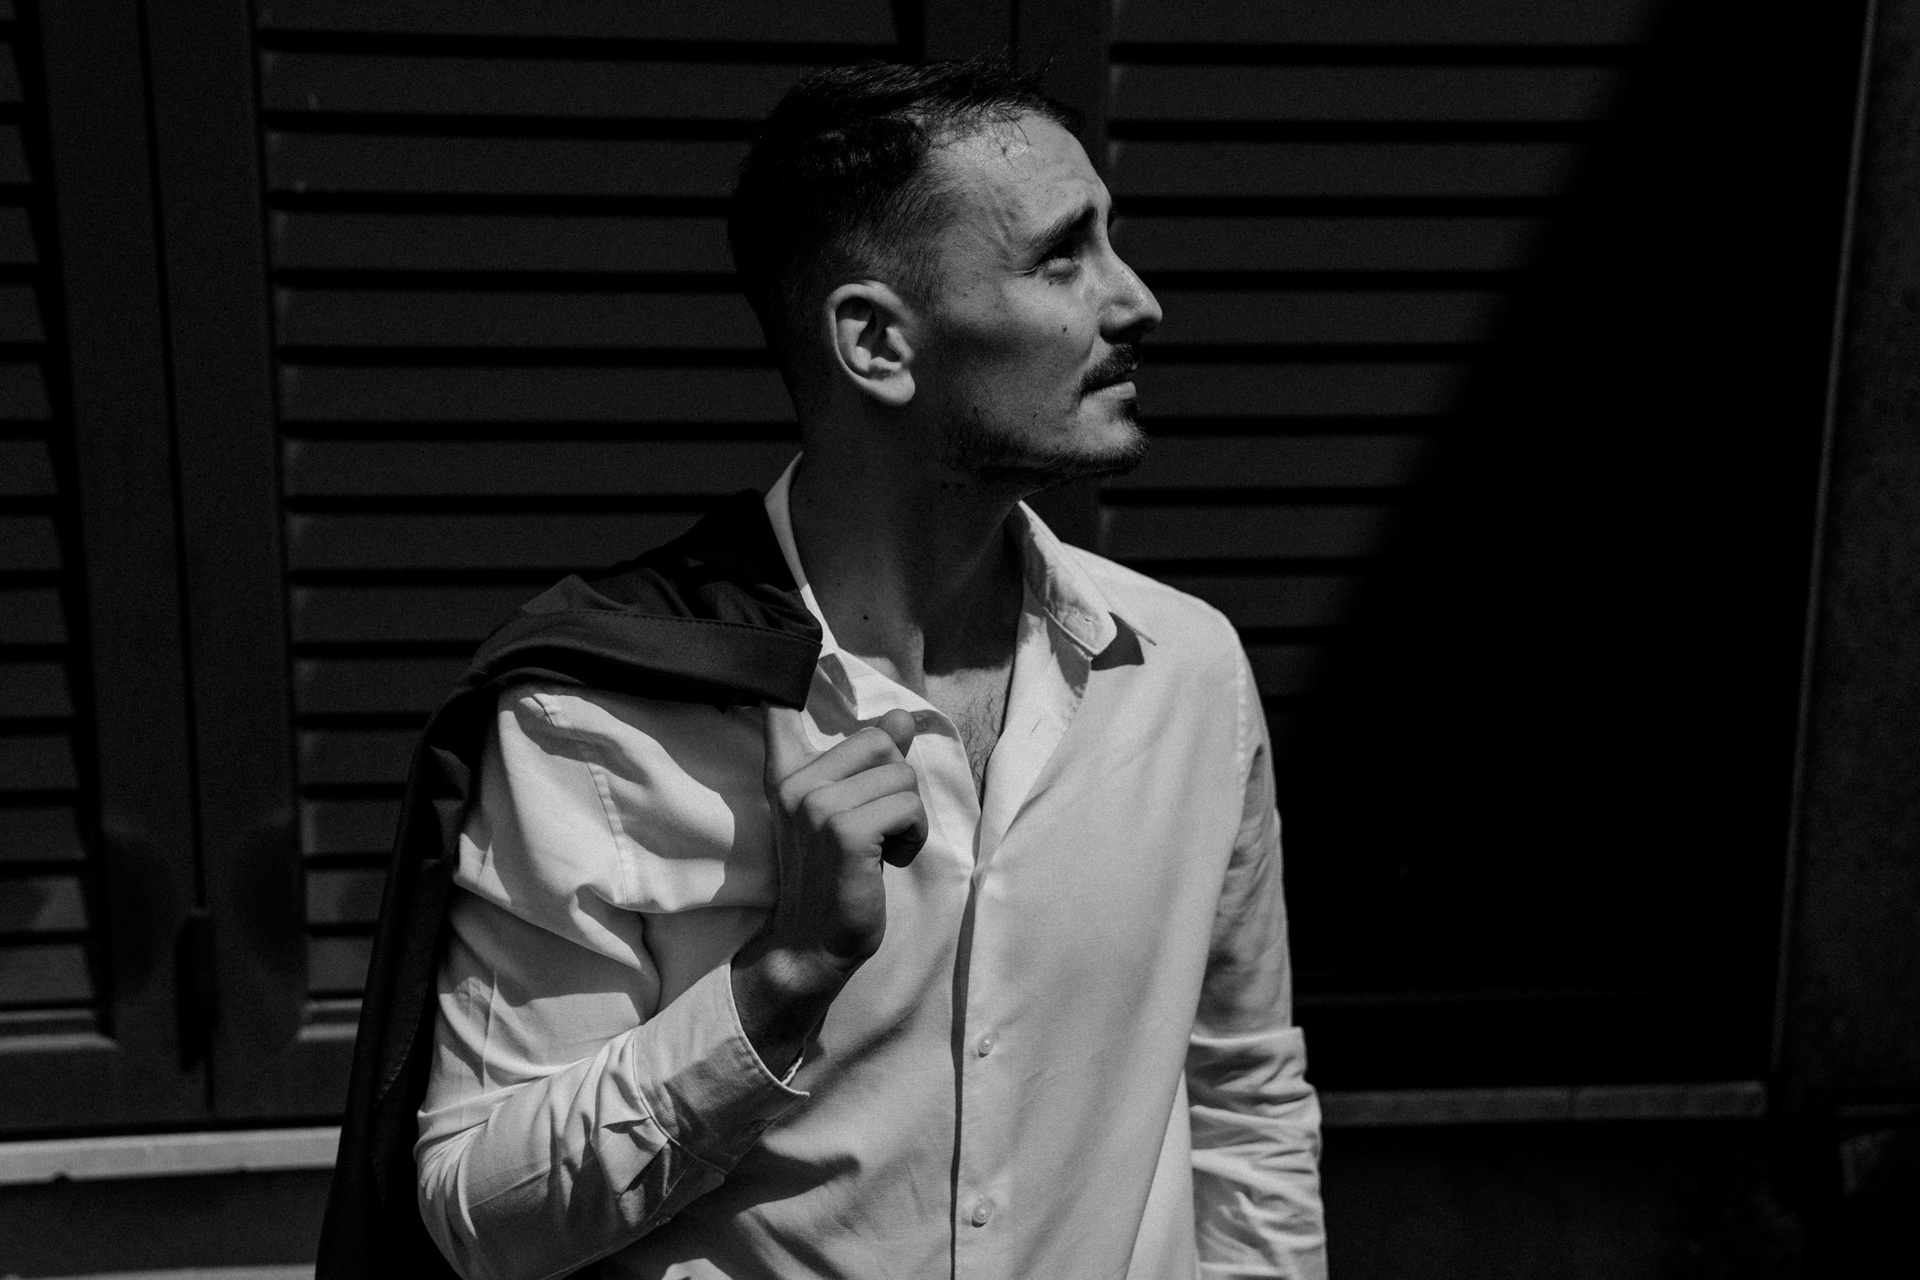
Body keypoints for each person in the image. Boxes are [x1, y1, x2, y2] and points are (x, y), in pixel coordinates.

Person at [411, 58, 1325, 1279]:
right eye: (1063, 257)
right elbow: (480, 1215)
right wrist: (780, 979)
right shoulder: (600, 715)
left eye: (1114, 241)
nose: (1137, 300)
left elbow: (1244, 1104)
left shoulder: (1183, 672)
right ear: (878, 341)